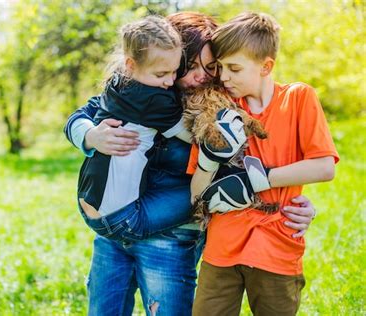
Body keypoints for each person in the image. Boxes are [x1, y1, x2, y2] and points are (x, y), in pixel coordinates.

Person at [65, 11, 317, 316]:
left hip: (172, 237)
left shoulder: (222, 102)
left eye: (210, 67)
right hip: (115, 230)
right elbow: (84, 113)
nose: (200, 75)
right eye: (191, 66)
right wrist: (91, 136)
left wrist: (294, 204)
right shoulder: (143, 86)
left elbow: (255, 161)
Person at [190, 12, 339, 316]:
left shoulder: (298, 98)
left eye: (234, 68)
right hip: (222, 246)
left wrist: (259, 179)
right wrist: (209, 156)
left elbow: (324, 166)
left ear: (266, 66)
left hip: (277, 243)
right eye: (221, 68)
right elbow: (196, 192)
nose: (224, 77)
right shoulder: (219, 109)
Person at [77, 16, 195, 241]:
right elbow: (197, 138)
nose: (170, 82)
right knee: (212, 192)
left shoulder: (116, 83)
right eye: (160, 74)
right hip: (123, 219)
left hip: (88, 200)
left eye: (175, 72)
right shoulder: (154, 100)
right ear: (131, 65)